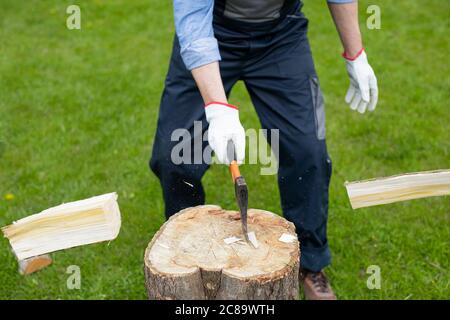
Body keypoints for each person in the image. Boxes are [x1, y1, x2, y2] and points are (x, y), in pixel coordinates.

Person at [150, 0, 378, 300]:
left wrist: (355, 54)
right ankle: (185, 256)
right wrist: (217, 108)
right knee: (174, 157)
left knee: (308, 151)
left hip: (282, 38)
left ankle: (310, 263)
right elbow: (192, 20)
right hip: (211, 31)